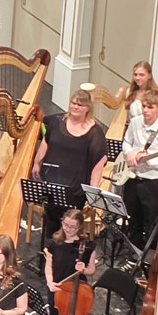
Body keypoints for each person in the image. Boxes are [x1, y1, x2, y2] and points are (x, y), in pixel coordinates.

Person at [33, 88, 108, 236]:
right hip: (52, 184)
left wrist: (93, 191)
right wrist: (37, 163)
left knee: (70, 227)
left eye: (79, 105)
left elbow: (99, 162)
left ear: (87, 108)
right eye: (73, 103)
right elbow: (46, 143)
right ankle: (49, 253)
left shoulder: (95, 133)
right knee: (50, 224)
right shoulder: (56, 121)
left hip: (75, 189)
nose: (74, 107)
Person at [120, 89, 158, 252]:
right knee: (133, 218)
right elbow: (127, 142)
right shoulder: (136, 122)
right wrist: (129, 153)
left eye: (150, 107)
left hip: (153, 182)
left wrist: (152, 161)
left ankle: (148, 259)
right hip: (133, 177)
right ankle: (132, 254)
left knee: (150, 222)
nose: (145, 110)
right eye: (144, 106)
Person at [43, 209, 98, 299]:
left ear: (80, 226)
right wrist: (49, 282)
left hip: (77, 290)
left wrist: (83, 269)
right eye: (65, 225)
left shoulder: (88, 247)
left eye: (73, 227)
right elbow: (48, 266)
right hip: (56, 287)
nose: (68, 229)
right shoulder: (53, 243)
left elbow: (91, 270)